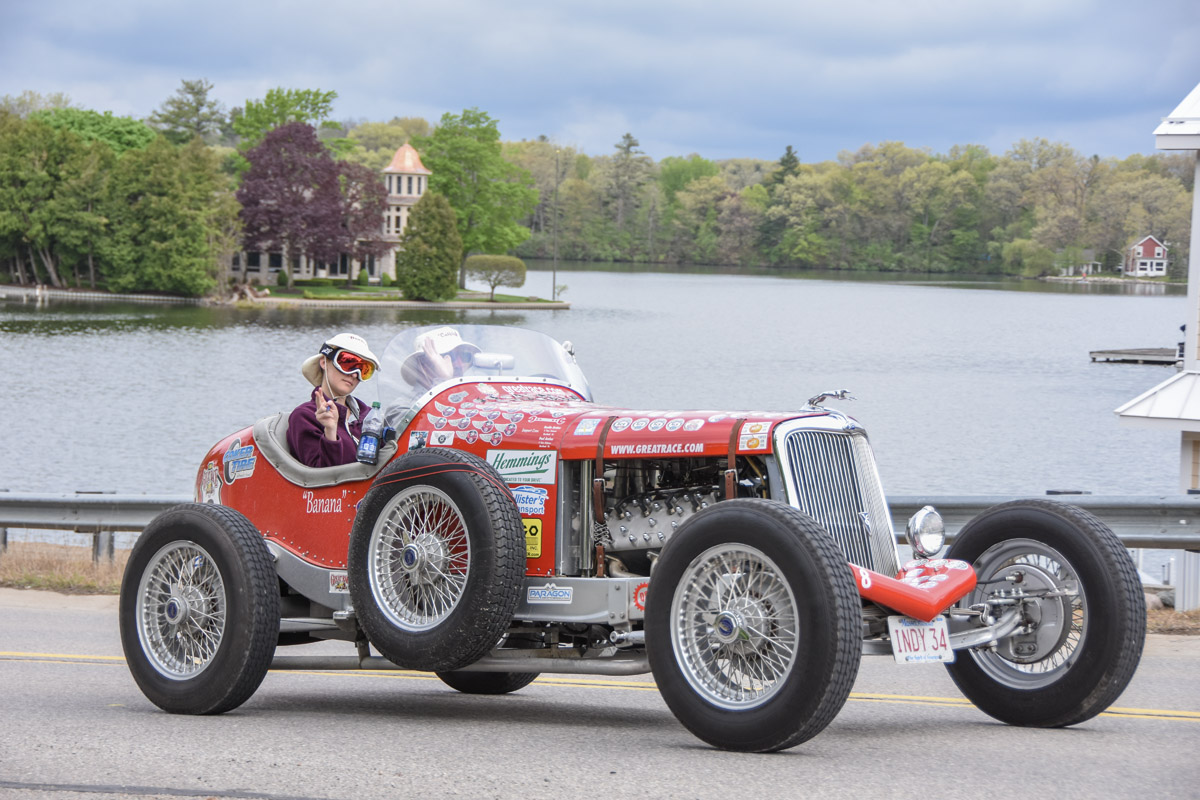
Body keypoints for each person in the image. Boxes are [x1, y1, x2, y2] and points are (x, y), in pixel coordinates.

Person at [288, 332, 380, 468]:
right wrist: (330, 431)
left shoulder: (369, 415)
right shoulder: (304, 416)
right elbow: (319, 478)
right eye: (348, 362)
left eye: (364, 369)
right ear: (324, 362)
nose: (355, 374)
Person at [400, 326, 480, 390]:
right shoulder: (402, 407)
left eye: (464, 356)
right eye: (450, 356)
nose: (459, 364)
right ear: (423, 364)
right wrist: (443, 381)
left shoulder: (470, 397)